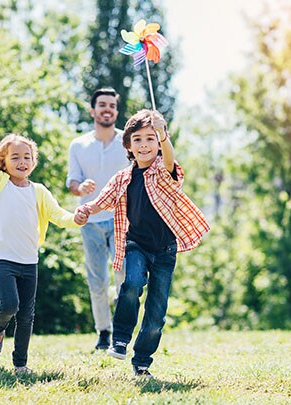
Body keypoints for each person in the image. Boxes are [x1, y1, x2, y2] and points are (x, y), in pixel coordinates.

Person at [0, 99, 88, 374]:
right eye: (15, 157)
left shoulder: (39, 191)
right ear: (3, 162)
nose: (22, 161)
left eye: (27, 157)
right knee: (10, 304)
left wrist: (75, 218)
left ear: (34, 162)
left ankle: (20, 365)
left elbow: (58, 215)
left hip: (29, 260)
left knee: (27, 316)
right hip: (3, 258)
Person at [80, 109, 210, 378]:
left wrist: (163, 135)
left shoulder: (162, 171)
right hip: (136, 244)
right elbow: (102, 200)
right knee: (131, 284)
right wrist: (86, 210)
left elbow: (171, 160)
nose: (144, 145)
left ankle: (142, 361)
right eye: (137, 139)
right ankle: (120, 339)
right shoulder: (123, 178)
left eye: (150, 139)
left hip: (165, 250)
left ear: (159, 143)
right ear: (128, 145)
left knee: (157, 311)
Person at [66, 88, 130, 350]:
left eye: (112, 106)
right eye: (102, 105)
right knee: (97, 281)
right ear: (92, 111)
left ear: (116, 111)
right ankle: (104, 331)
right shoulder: (79, 145)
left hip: (121, 219)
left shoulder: (128, 141)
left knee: (123, 279)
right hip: (90, 220)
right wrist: (80, 189)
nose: (107, 109)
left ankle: (122, 331)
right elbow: (72, 181)